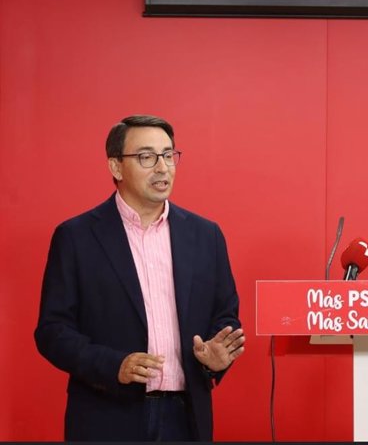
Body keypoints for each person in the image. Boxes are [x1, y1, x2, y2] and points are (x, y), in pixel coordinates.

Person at [35, 115, 245, 441]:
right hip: (107, 417)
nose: (162, 167)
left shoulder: (206, 236)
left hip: (185, 418)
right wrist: (113, 365)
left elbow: (225, 313)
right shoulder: (76, 237)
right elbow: (52, 331)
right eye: (147, 157)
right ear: (116, 167)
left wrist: (215, 360)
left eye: (169, 155)